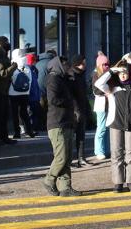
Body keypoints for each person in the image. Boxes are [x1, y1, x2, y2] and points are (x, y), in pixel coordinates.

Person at [94, 62, 131, 193]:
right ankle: (118, 182)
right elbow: (98, 84)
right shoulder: (112, 89)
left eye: (125, 72)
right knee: (116, 154)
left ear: (129, 73)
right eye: (120, 73)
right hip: (116, 124)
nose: (123, 75)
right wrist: (112, 70)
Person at [43, 56, 81, 197]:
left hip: (67, 121)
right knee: (61, 157)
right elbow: (53, 99)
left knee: (68, 157)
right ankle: (49, 179)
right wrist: (68, 102)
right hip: (57, 123)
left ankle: (65, 187)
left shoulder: (64, 79)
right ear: (58, 65)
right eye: (65, 64)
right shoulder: (53, 79)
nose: (68, 67)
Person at [68, 54, 91, 168]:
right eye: (83, 63)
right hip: (74, 111)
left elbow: (83, 94)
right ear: (77, 64)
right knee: (71, 137)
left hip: (81, 108)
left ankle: (81, 158)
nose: (85, 65)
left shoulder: (81, 75)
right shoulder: (72, 75)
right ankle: (70, 160)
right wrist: (76, 110)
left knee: (81, 136)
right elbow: (71, 96)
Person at [9, 48, 35, 139]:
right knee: (24, 112)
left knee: (15, 114)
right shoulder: (27, 66)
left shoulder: (12, 66)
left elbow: (9, 78)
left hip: (13, 93)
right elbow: (30, 81)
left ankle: (17, 132)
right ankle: (29, 131)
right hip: (25, 93)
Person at [92, 51, 110, 160]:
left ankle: (106, 150)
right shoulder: (96, 74)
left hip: (108, 104)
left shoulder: (107, 74)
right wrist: (106, 93)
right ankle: (99, 150)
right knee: (101, 128)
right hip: (101, 104)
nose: (107, 66)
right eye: (105, 64)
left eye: (108, 64)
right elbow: (96, 90)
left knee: (107, 128)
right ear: (99, 65)